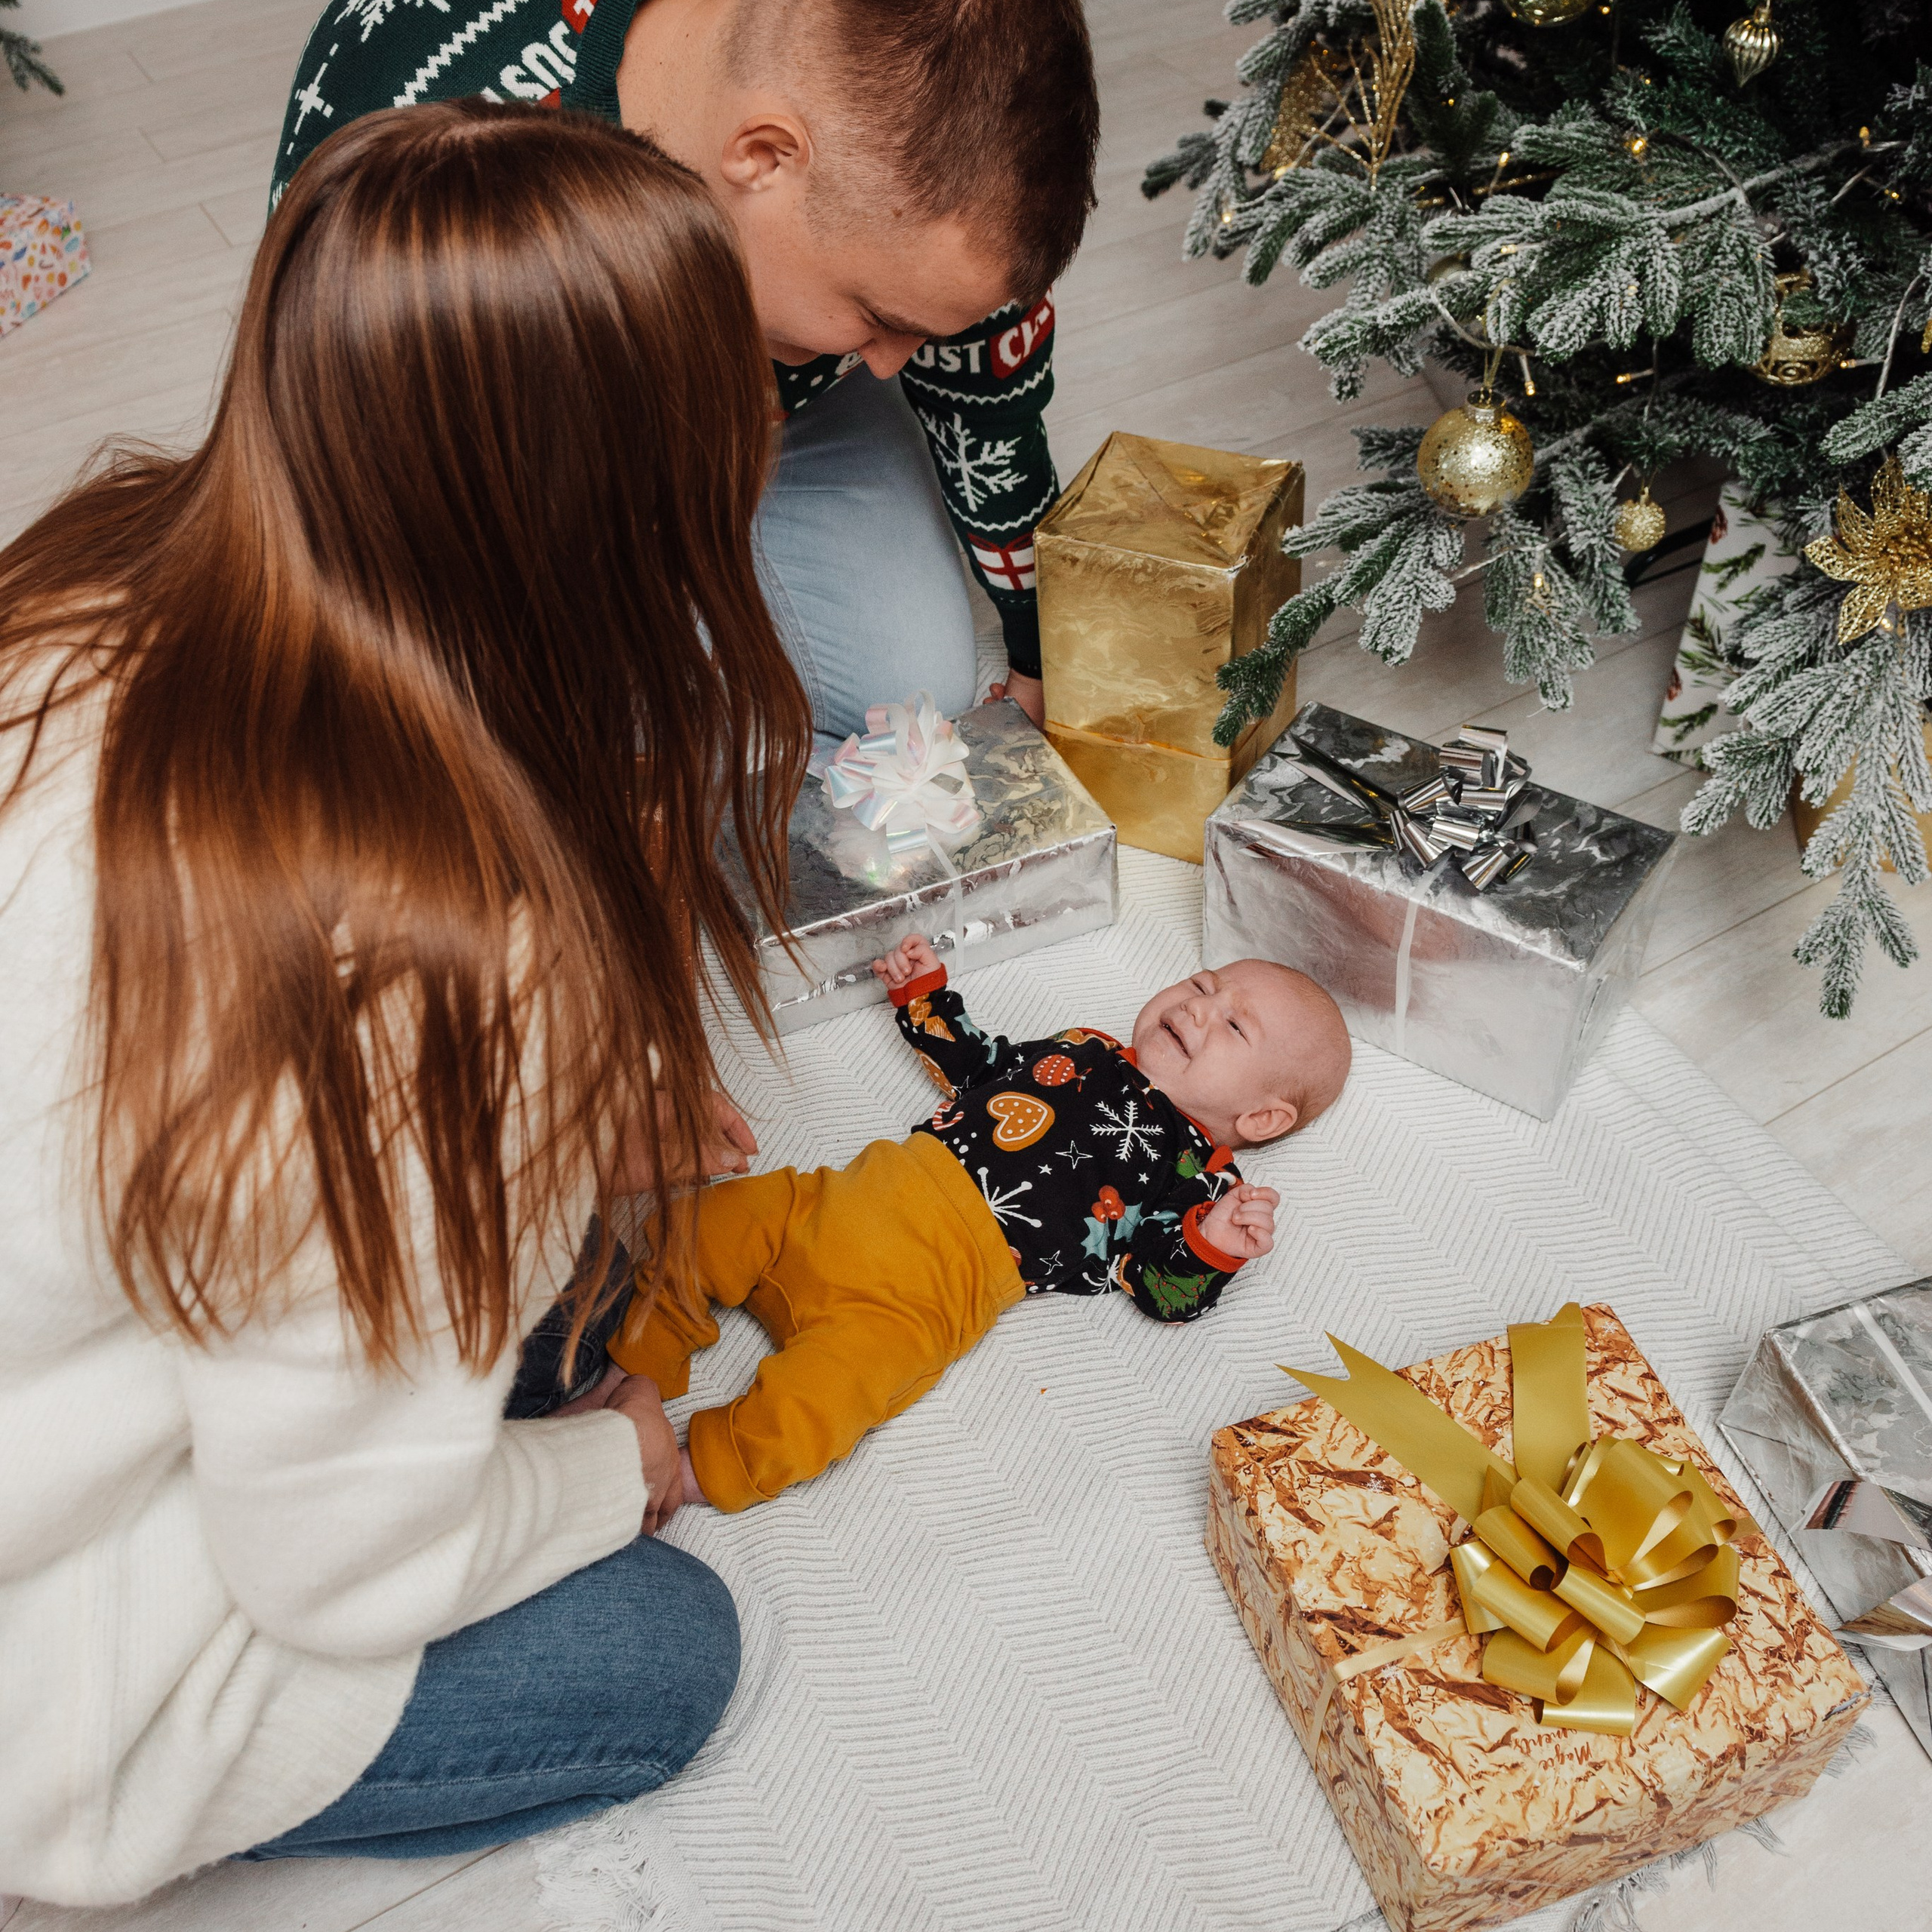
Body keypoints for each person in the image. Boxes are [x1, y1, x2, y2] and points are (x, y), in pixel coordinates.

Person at [0, 101, 813, 1906]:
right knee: (663, 1648)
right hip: (47, 1645)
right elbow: (338, 1575)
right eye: (739, 388)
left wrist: (540, 1148)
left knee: (575, 1271)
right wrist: (618, 1467)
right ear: (622, 490)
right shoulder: (440, 953)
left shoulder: (93, 559)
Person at [272, 0, 1100, 743]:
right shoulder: (428, 100)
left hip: (769, 418)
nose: (889, 364)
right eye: (877, 318)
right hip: (518, 447)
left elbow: (987, 416)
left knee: (914, 687)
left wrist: (1039, 650)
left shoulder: (936, 202)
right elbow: (348, 488)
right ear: (764, 155)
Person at [611, 943, 1353, 1512]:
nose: (1196, 1006)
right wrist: (926, 998)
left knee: (833, 1394)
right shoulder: (1084, 1048)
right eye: (1201, 984)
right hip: (829, 1204)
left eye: (1231, 1022)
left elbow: (1161, 1286)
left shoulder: (1196, 1178)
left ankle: (692, 1471)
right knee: (699, 1223)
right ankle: (637, 1364)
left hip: (913, 1299)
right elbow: (983, 1065)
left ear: (1260, 1118)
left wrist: (1214, 1245)